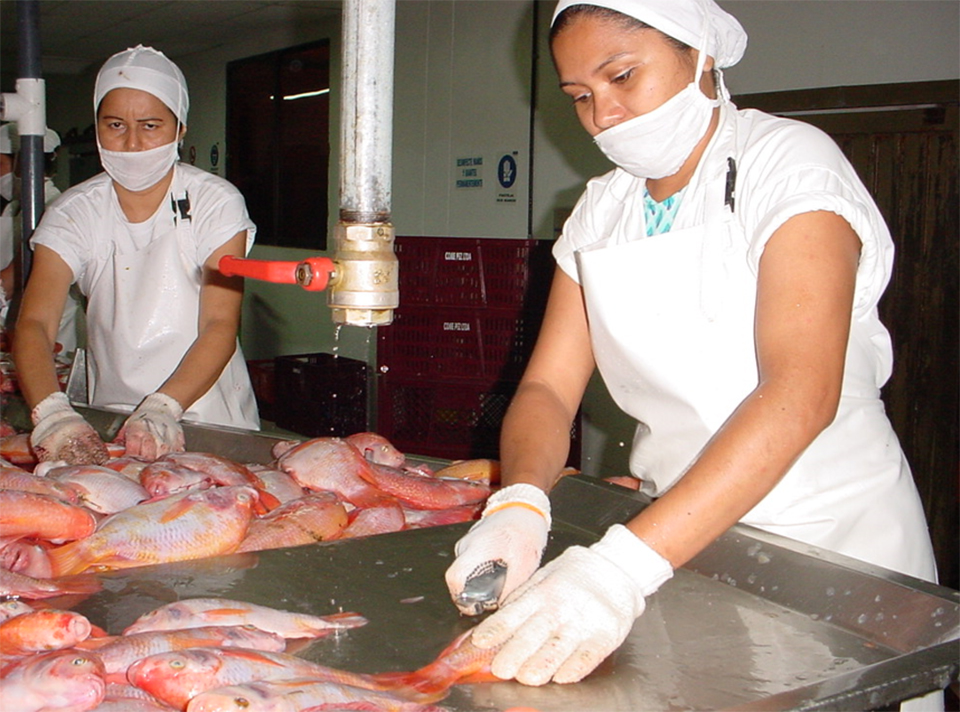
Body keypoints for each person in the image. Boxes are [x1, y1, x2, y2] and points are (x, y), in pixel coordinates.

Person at [445, 0, 939, 701]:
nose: (603, 115)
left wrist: (618, 571)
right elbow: (547, 391)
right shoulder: (601, 208)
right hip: (679, 536)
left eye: (622, 76)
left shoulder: (788, 163)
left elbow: (800, 393)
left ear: (699, 55)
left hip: (829, 542)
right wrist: (521, 503)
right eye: (580, 96)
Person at [13, 45, 259, 466]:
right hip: (112, 422)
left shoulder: (214, 203)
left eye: (150, 125)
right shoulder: (76, 211)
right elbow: (35, 321)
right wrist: (51, 412)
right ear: (96, 128)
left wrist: (164, 407)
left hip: (209, 419)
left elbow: (219, 323)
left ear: (180, 128)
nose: (131, 143)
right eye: (114, 125)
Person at [0, 124, 79, 356]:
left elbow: (13, 279)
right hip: (10, 327)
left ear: (22, 163)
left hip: (49, 340)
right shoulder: (14, 208)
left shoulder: (53, 208)